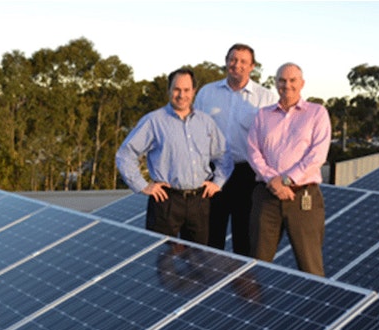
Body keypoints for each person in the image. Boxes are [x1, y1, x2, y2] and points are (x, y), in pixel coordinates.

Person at [116, 68, 233, 245]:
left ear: (194, 91)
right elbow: (125, 154)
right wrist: (142, 186)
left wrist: (218, 182)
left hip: (200, 202)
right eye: (177, 89)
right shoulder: (154, 121)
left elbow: (223, 154)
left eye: (186, 90)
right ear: (169, 91)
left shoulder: (206, 122)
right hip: (166, 201)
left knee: (200, 262)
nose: (181, 95)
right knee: (162, 260)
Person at [247, 63, 331, 276]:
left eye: (293, 80)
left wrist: (286, 181)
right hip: (266, 197)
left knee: (310, 265)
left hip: (303, 197)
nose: (287, 85)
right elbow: (253, 151)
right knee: (257, 263)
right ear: (275, 83)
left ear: (301, 83)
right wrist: (272, 181)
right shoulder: (262, 115)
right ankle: (254, 309)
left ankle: (315, 309)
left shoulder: (317, 113)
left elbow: (317, 155)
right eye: (282, 80)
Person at [194, 43, 277, 256]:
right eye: (233, 59)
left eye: (243, 61)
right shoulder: (207, 93)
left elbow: (272, 139)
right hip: (213, 172)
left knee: (244, 239)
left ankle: (240, 286)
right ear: (226, 61)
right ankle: (210, 284)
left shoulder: (265, 97)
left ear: (252, 66)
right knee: (210, 236)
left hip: (247, 174)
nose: (236, 65)